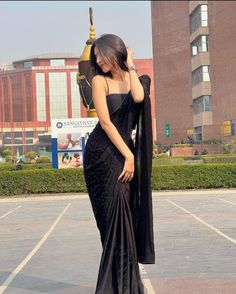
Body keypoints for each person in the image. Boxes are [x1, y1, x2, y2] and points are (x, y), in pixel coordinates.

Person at [83, 34, 155, 294]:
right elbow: (105, 123)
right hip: (102, 156)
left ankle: (125, 286)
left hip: (124, 156)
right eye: (96, 57)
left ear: (116, 53)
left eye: (102, 55)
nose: (99, 60)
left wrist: (131, 65)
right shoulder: (99, 81)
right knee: (111, 223)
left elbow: (138, 97)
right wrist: (129, 155)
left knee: (124, 219)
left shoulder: (135, 79)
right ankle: (114, 288)